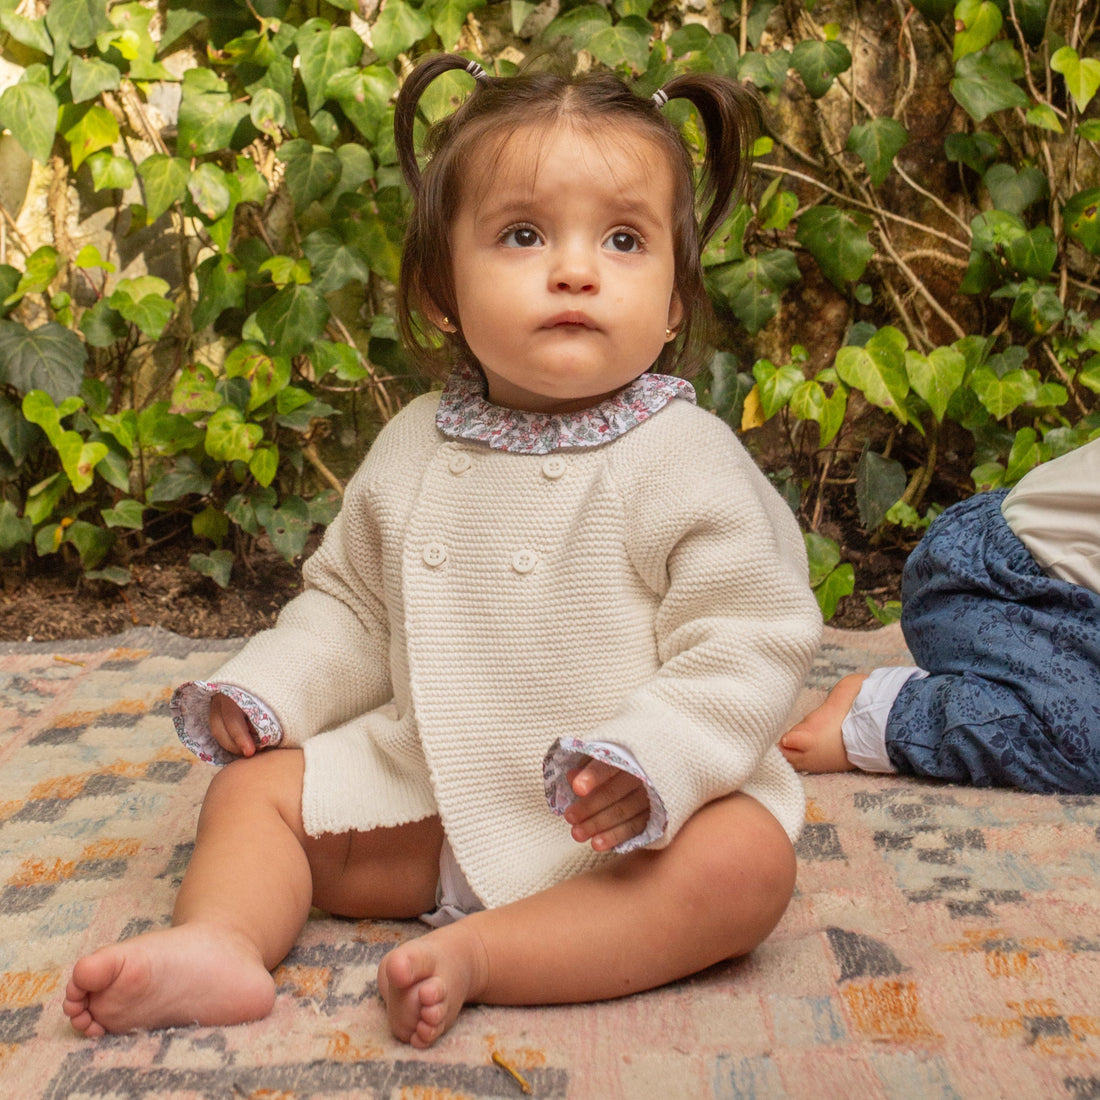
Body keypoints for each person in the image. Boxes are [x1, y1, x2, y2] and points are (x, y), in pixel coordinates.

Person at [63, 53, 822, 1049]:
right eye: (521, 234)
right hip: (430, 792)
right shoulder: (417, 441)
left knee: (747, 864)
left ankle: (488, 953)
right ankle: (219, 942)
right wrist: (269, 693)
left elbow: (749, 638)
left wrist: (657, 758)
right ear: (437, 289)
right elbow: (351, 607)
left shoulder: (684, 456)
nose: (575, 268)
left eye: (624, 239)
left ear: (674, 299)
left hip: (620, 824)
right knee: (253, 791)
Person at [781, 436, 1100, 792]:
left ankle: (1004, 686)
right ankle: (883, 711)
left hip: (1058, 600)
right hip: (986, 587)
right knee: (1083, 738)